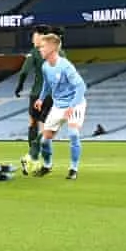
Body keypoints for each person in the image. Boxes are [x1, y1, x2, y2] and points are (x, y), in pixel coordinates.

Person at [32, 31, 87, 180]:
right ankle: (47, 165)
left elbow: (81, 87)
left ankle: (73, 169)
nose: (40, 49)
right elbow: (46, 84)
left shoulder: (65, 66)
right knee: (45, 140)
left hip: (74, 103)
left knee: (73, 134)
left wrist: (72, 106)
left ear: (51, 48)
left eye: (42, 46)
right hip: (58, 105)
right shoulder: (45, 66)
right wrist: (41, 99)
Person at [14, 25, 54, 170]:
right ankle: (43, 161)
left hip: (37, 94)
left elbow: (24, 72)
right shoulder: (57, 52)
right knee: (46, 128)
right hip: (52, 95)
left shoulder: (35, 52)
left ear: (41, 37)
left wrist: (19, 86)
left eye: (34, 36)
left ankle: (33, 158)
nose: (32, 39)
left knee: (33, 123)